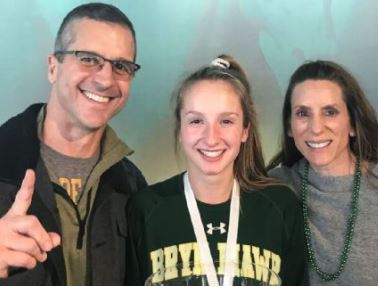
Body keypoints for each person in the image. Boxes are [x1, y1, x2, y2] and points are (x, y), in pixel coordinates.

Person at [126, 55, 307, 286]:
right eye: (196, 121)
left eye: (226, 121)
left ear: (244, 131)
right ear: (180, 130)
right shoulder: (145, 208)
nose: (211, 138)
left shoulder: (281, 207)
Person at [0, 3, 147, 285]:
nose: (105, 79)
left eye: (120, 66)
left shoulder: (133, 186)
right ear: (53, 67)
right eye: (88, 58)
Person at [267, 60, 378, 285]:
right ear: (290, 126)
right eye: (302, 113)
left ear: (352, 124)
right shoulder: (273, 187)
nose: (316, 128)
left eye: (330, 112)